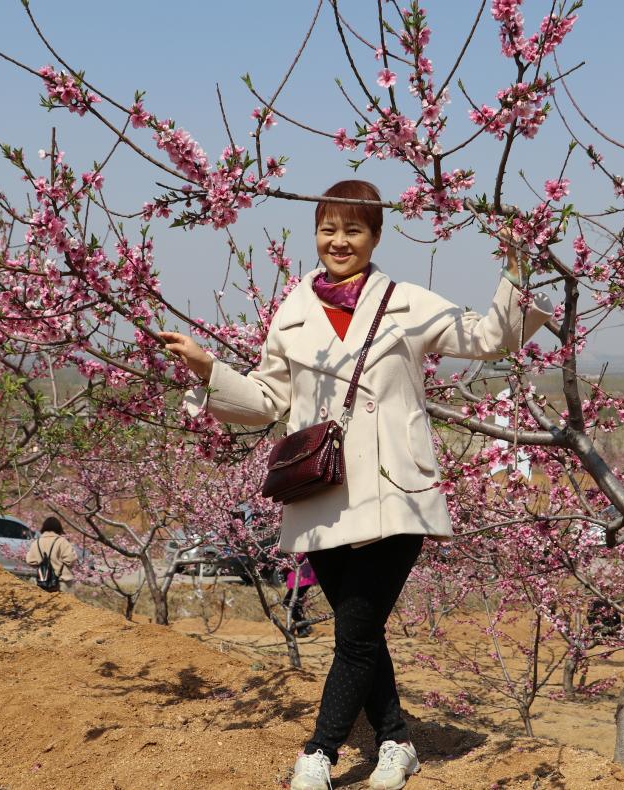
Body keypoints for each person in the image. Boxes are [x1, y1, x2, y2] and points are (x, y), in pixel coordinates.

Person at [160, 180, 552, 790]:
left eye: (354, 230)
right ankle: (396, 742)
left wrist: (518, 264)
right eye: (328, 229)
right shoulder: (292, 312)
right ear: (315, 234)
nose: (338, 241)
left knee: (357, 631)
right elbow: (268, 401)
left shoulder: (407, 302)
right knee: (359, 632)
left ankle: (319, 753)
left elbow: (488, 338)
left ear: (375, 236)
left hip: (397, 491)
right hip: (320, 499)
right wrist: (211, 369)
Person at [26, 516, 78, 594]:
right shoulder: (62, 542)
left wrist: (43, 565)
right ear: (58, 528)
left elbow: (30, 561)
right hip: (62, 582)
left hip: (43, 582)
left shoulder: (36, 543)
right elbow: (70, 560)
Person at [284, 553, 318, 638]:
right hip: (303, 577)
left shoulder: (297, 547)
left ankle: (304, 626)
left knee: (288, 602)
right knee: (296, 603)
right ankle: (302, 630)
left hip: (302, 578)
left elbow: (297, 556)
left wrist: (286, 561)